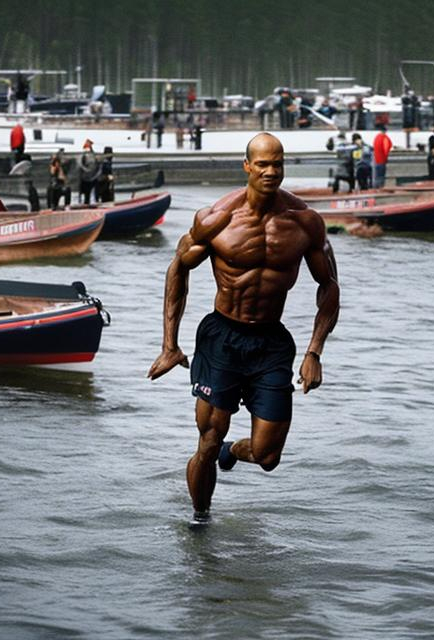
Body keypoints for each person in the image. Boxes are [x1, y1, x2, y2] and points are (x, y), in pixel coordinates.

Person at [148, 132, 340, 527]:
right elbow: (178, 268)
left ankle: (235, 452)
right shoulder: (217, 218)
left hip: (271, 341)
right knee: (208, 439)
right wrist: (170, 344)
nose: (272, 172)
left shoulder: (304, 222)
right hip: (222, 338)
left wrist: (314, 351)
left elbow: (329, 285)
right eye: (264, 164)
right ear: (247, 166)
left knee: (269, 458)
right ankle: (200, 525)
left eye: (278, 164)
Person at [78, 139, 99, 204]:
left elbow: (96, 164)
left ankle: (94, 201)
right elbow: (80, 164)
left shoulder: (93, 154)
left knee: (93, 191)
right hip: (85, 177)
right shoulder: (84, 154)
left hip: (93, 176)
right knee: (86, 193)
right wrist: (86, 170)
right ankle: (85, 202)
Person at [372, 124, 393, 189]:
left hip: (376, 159)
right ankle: (381, 188)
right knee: (381, 175)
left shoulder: (376, 137)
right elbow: (385, 149)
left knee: (376, 175)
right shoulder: (384, 138)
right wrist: (386, 157)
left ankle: (376, 187)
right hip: (382, 159)